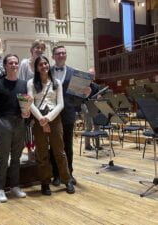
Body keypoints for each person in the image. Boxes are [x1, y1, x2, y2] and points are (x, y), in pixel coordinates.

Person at [27, 56, 75, 195]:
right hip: (38, 118)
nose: (44, 66)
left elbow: (61, 104)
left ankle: (67, 180)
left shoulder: (57, 82)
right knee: (42, 153)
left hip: (54, 117)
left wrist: (48, 117)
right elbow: (30, 103)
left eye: (45, 63)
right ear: (36, 68)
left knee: (60, 152)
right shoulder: (31, 83)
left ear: (49, 65)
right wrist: (41, 118)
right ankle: (45, 182)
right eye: (40, 64)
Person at [50, 45, 91, 186]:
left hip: (68, 112)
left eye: (63, 53)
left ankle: (69, 174)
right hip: (52, 113)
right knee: (54, 145)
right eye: (58, 53)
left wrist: (86, 92)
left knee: (68, 145)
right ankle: (55, 175)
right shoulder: (47, 72)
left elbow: (80, 95)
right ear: (53, 56)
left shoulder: (75, 73)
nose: (61, 55)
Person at [0, 54, 29, 202]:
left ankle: (15, 186)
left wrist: (26, 113)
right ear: (5, 66)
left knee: (16, 157)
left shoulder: (24, 84)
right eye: (11, 63)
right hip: (3, 122)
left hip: (20, 122)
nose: (14, 65)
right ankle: (0, 188)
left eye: (16, 63)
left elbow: (26, 104)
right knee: (3, 157)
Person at [18, 40, 46, 161]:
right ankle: (29, 152)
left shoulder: (42, 64)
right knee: (28, 127)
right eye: (37, 47)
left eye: (41, 48)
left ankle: (39, 152)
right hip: (27, 100)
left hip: (39, 100)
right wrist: (24, 105)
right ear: (32, 49)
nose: (39, 50)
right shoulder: (25, 63)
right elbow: (21, 82)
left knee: (38, 127)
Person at [82, 68, 102, 151]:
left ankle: (97, 145)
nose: (91, 76)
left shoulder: (96, 86)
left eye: (92, 75)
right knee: (89, 126)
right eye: (90, 75)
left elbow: (99, 97)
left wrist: (99, 97)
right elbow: (82, 99)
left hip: (94, 105)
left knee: (97, 126)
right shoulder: (84, 85)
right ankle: (87, 145)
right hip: (86, 105)